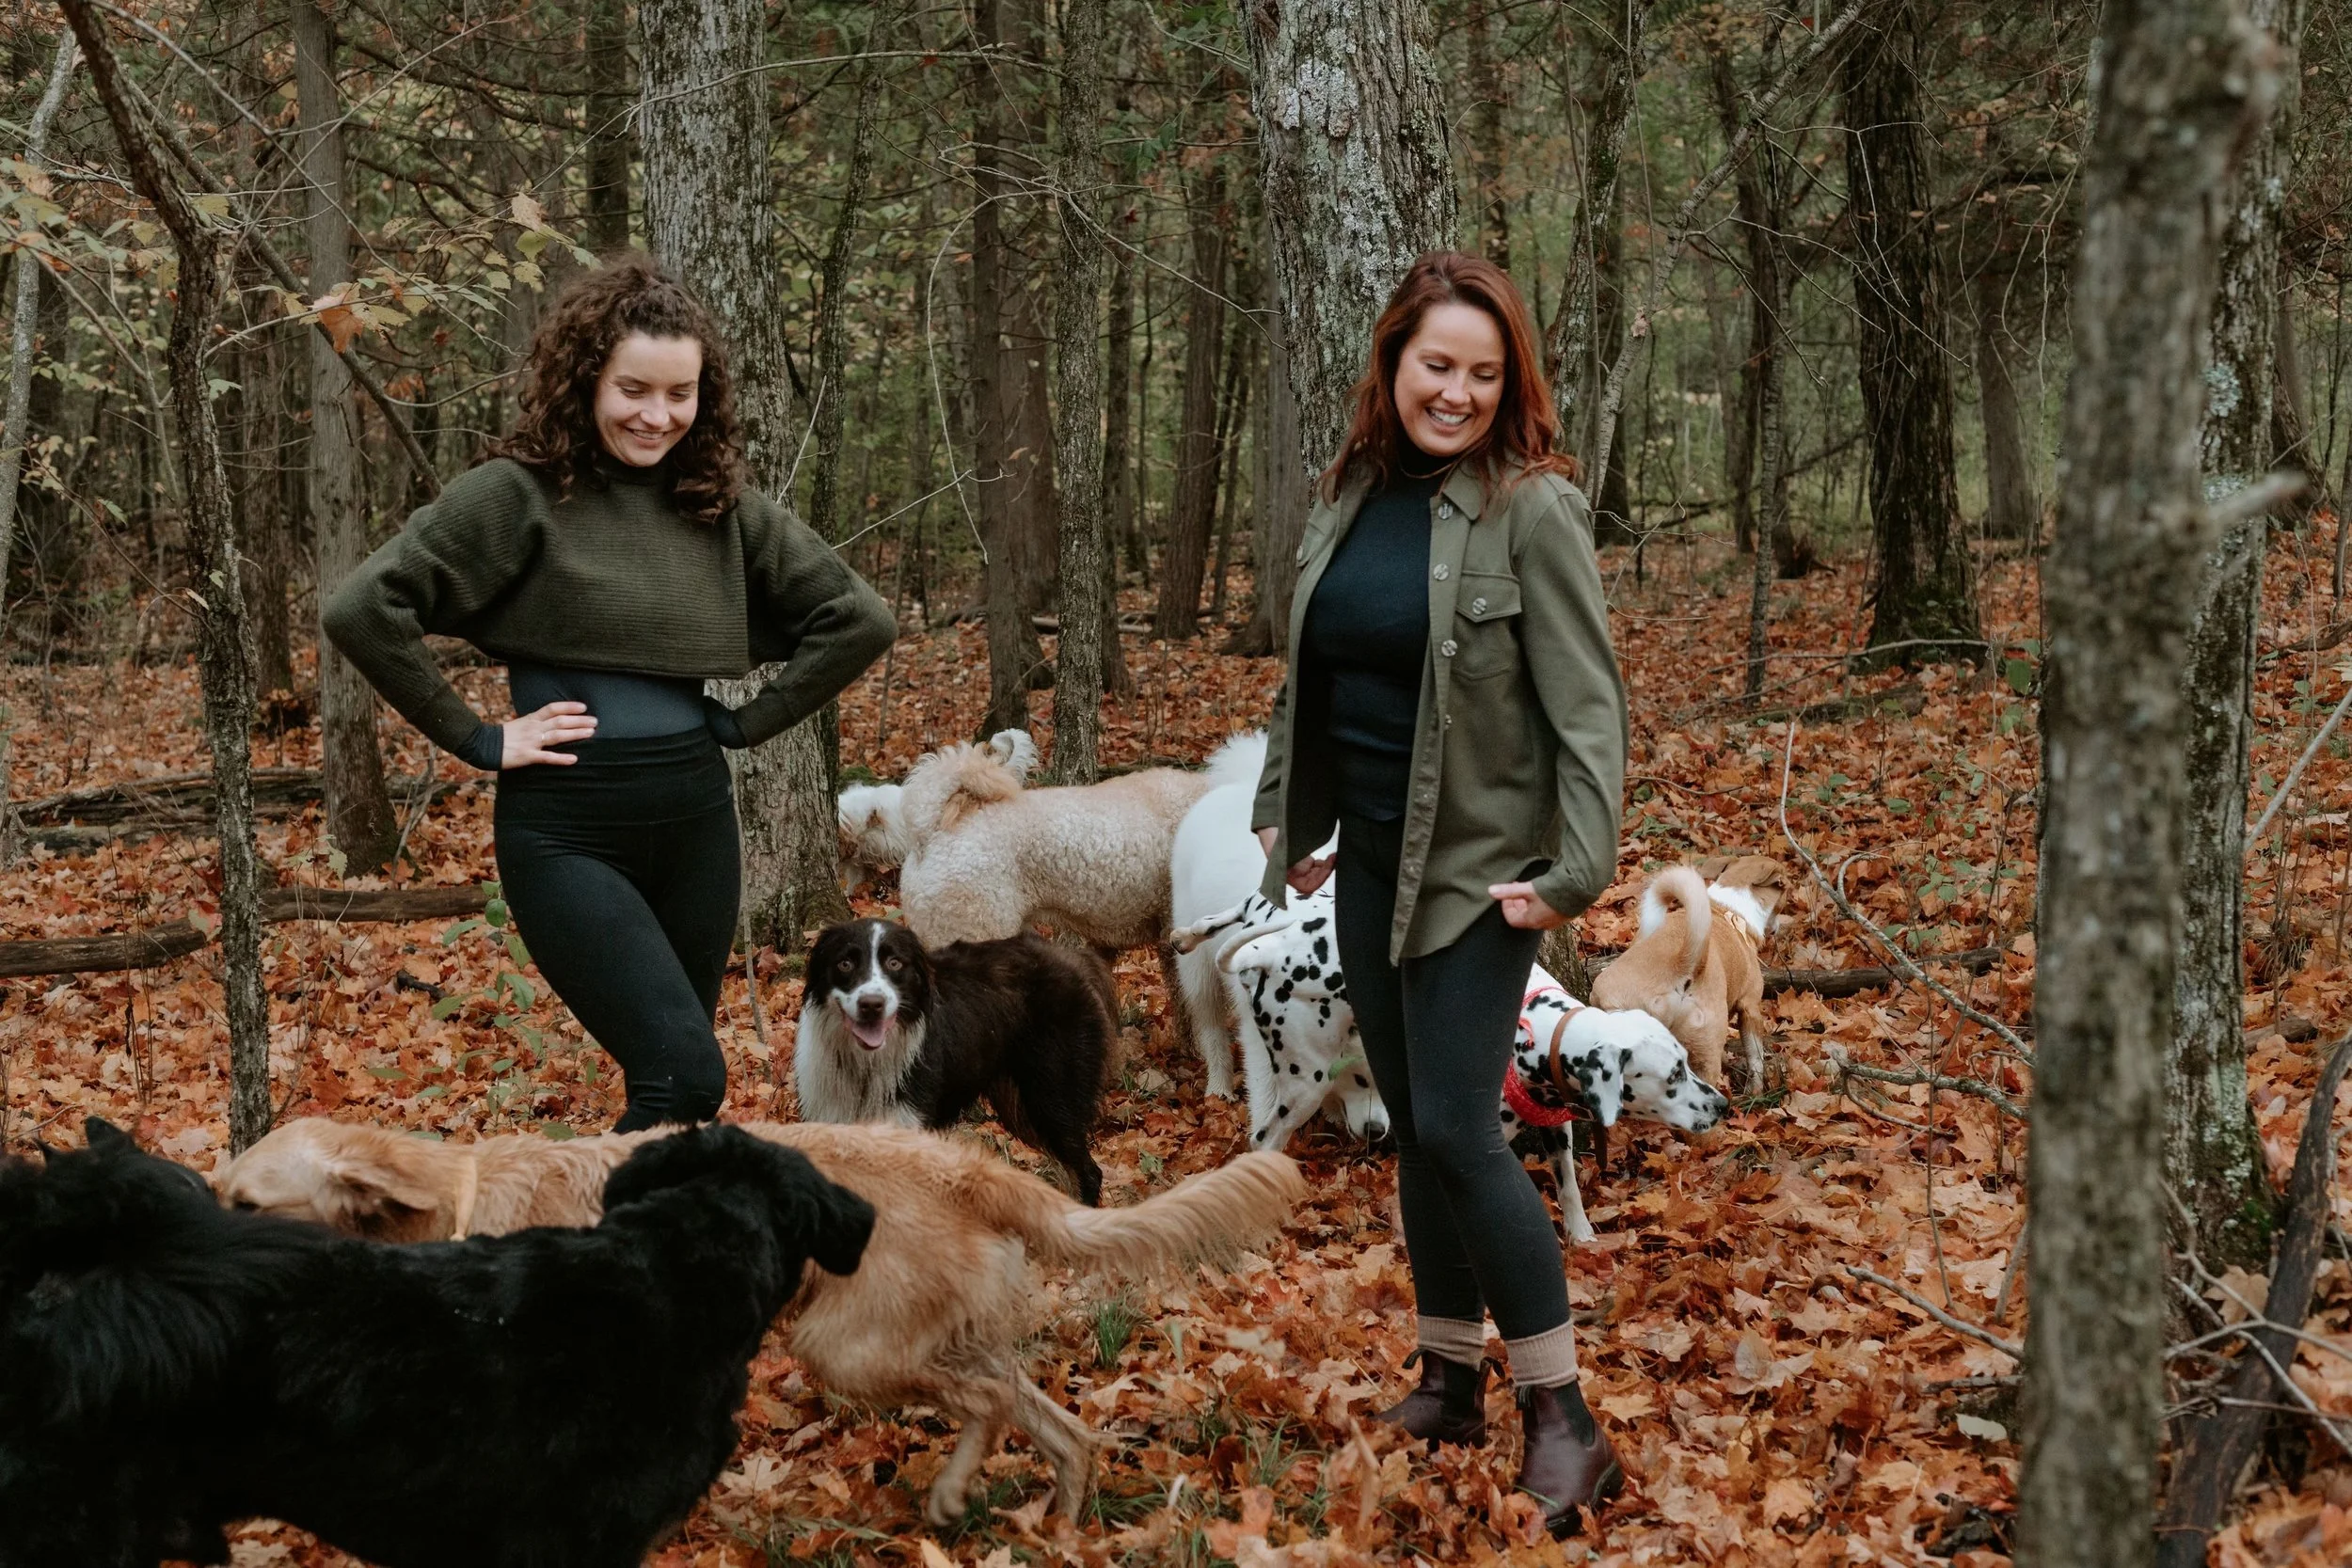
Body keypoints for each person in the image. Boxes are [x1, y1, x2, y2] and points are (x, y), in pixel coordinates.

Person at [326, 258, 895, 1132]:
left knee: (670, 1100)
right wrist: (479, 738)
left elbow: (860, 618)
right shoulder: (517, 494)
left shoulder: (718, 506)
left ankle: (648, 1224)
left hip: (697, 827)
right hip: (566, 831)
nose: (656, 415)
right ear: (587, 378)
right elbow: (363, 608)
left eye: (680, 393)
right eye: (633, 389)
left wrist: (751, 721)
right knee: (687, 1078)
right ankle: (575, 1220)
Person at [1250, 252, 1629, 1532]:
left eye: (1483, 372)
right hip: (1368, 854)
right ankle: (1449, 1376)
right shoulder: (1350, 493)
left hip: (1476, 871)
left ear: (1509, 382)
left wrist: (1573, 873)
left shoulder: (1532, 510)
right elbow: (1309, 674)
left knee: (1464, 1128)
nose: (1456, 392)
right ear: (1394, 363)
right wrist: (1285, 813)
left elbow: (1589, 708)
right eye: (1436, 366)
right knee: (1414, 1125)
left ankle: (1563, 1417)